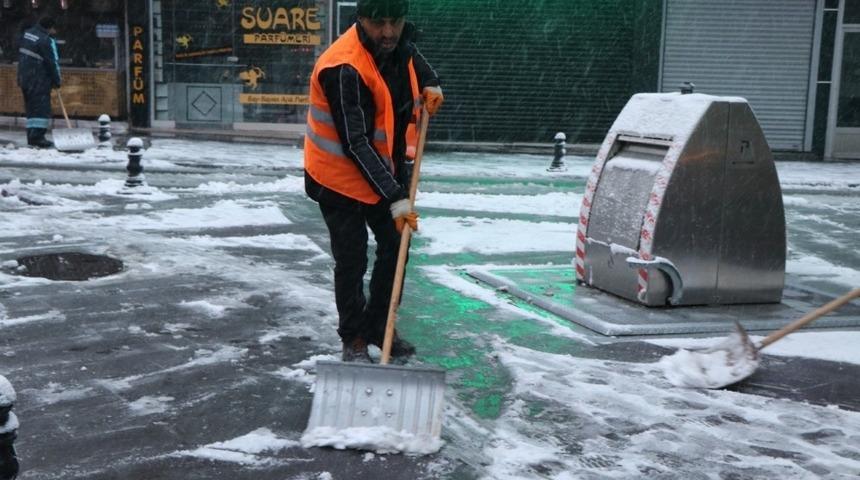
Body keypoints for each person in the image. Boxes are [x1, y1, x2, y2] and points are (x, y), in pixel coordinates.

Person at [304, 0, 444, 363]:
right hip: (338, 179)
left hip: (382, 171)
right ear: (361, 19)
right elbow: (356, 142)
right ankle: (353, 337)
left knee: (396, 244)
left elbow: (413, 58)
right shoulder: (343, 68)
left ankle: (381, 326)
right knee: (351, 259)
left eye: (395, 22)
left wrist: (432, 84)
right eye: (378, 22)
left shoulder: (399, 46)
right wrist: (396, 196)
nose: (388, 32)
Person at [17, 15, 61, 149]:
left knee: (31, 108)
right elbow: (52, 62)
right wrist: (57, 80)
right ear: (50, 28)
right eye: (54, 29)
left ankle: (31, 136)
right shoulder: (46, 40)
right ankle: (38, 138)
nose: (55, 32)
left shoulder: (27, 34)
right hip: (39, 79)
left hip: (24, 78)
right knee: (41, 109)